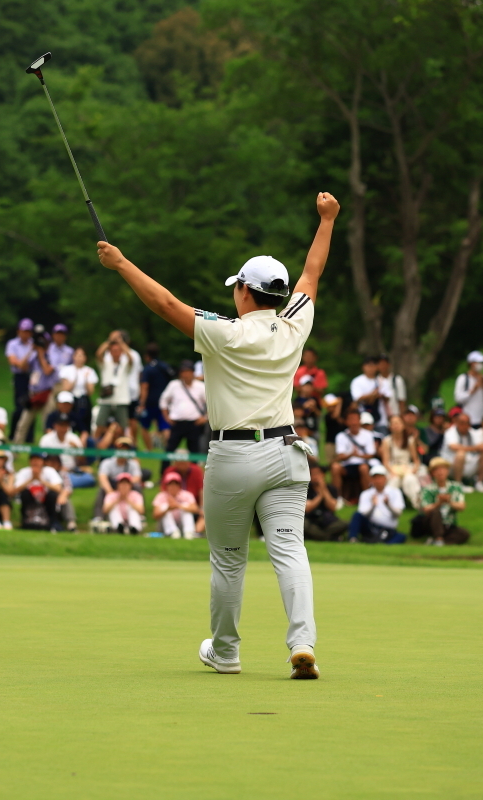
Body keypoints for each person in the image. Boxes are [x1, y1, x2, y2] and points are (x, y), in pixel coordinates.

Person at [97, 190, 338, 680]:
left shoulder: (225, 332)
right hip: (288, 451)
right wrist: (327, 220)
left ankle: (225, 652)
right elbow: (312, 273)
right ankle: (303, 643)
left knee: (230, 561)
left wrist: (122, 264)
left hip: (234, 455)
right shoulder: (294, 323)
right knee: (290, 551)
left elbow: (165, 304)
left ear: (245, 293)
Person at [416, 457, 470, 545]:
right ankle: (438, 538)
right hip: (430, 524)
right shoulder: (428, 489)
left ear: (447, 471)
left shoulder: (455, 487)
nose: (440, 472)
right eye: (436, 469)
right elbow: (426, 509)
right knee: (435, 512)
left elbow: (462, 506)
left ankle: (438, 541)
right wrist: (439, 503)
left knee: (464, 534)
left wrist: (449, 501)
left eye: (443, 469)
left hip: (448, 524)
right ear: (432, 473)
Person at [349, 464, 406, 543]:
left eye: (380, 477)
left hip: (388, 528)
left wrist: (388, 505)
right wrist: (373, 506)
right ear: (371, 479)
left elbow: (398, 514)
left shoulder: (395, 492)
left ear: (385, 478)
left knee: (401, 537)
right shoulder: (366, 494)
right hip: (370, 527)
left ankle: (382, 543)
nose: (378, 480)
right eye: (375, 478)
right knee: (356, 515)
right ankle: (353, 539)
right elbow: (362, 515)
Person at [160, 360, 207, 454]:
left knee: (194, 451)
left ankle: (195, 469)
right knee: (169, 450)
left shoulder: (201, 386)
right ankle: (165, 469)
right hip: (177, 423)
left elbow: (211, 405)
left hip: (194, 424)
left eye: (187, 371)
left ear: (192, 372)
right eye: (183, 372)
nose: (185, 374)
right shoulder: (174, 385)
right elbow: (163, 401)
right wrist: (167, 417)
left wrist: (205, 418)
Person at [95, 331, 133, 437]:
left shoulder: (125, 365)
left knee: (124, 427)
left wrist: (120, 342)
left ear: (121, 352)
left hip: (121, 400)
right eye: (113, 350)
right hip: (106, 400)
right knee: (100, 424)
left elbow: (131, 358)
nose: (116, 352)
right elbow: (98, 354)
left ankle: (126, 449)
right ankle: (94, 449)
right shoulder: (105, 364)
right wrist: (110, 340)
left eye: (118, 350)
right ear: (110, 352)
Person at [380, 414, 422, 511]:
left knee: (410, 479)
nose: (396, 425)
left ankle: (418, 504)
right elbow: (385, 461)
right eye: (393, 423)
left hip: (407, 467)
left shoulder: (410, 440)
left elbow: (416, 460)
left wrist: (414, 469)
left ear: (403, 425)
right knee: (394, 481)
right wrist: (393, 472)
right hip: (392, 468)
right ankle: (392, 506)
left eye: (398, 423)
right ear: (390, 427)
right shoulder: (386, 441)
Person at [14, 451, 63, 531]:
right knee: (25, 493)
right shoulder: (24, 472)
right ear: (29, 461)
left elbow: (58, 488)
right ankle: (26, 521)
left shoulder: (50, 471)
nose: (35, 462)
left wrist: (41, 480)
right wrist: (31, 479)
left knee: (52, 495)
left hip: (46, 501)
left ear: (43, 461)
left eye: (38, 459)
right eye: (33, 459)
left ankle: (52, 521)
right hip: (30, 502)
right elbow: (14, 490)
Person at [136, 342, 173, 450]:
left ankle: (149, 449)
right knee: (165, 427)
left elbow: (145, 387)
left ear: (146, 355)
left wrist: (142, 403)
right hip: (164, 403)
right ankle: (168, 449)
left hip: (150, 403)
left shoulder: (148, 369)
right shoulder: (164, 366)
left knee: (144, 427)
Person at [441, 412, 483, 490]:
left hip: (470, 463)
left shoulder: (473, 432)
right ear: (456, 423)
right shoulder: (450, 432)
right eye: (462, 423)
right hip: (452, 464)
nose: (465, 425)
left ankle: (479, 483)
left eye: (467, 423)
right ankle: (458, 484)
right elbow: (453, 447)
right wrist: (475, 448)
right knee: (461, 454)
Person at [56, 346, 98, 435]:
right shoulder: (67, 370)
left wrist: (86, 380)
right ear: (73, 357)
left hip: (83, 400)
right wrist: (75, 378)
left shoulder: (89, 371)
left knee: (84, 424)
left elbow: (90, 392)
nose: (79, 358)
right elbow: (66, 388)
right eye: (77, 355)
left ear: (85, 358)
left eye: (82, 355)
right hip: (70, 400)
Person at [6, 318, 36, 439]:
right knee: (19, 406)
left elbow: (32, 365)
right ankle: (14, 434)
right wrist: (29, 353)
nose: (26, 334)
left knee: (32, 405)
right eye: (24, 331)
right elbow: (17, 364)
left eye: (28, 331)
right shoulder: (12, 344)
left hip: (32, 378)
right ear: (19, 331)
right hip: (19, 378)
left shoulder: (34, 344)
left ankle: (29, 436)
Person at [303, 462, 347, 542]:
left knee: (344, 524)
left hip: (327, 521)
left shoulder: (331, 489)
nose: (315, 476)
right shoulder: (306, 489)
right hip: (311, 520)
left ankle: (318, 537)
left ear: (323, 475)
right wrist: (320, 496)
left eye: (318, 474)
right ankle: (328, 538)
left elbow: (333, 507)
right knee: (303, 524)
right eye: (313, 474)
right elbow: (307, 508)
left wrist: (324, 490)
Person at [152, 470, 199, 539]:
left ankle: (188, 532)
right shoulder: (161, 496)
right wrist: (168, 508)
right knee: (164, 506)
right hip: (164, 527)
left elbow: (195, 509)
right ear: (166, 485)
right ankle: (173, 532)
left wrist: (178, 505)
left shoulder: (187, 495)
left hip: (181, 524)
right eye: (170, 484)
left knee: (185, 505)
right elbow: (155, 515)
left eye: (175, 484)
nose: (173, 486)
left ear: (179, 485)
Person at [350, 357, 391, 432]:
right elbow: (357, 398)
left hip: (380, 418)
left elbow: (388, 397)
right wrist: (374, 394)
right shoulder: (357, 381)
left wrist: (376, 396)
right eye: (368, 365)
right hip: (363, 418)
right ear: (363, 367)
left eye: (373, 365)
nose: (370, 368)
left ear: (376, 367)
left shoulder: (382, 381)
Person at [454, 351, 483, 426]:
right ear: (471, 363)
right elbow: (458, 399)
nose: (482, 365)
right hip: (468, 421)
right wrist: (472, 391)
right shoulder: (463, 378)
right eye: (479, 362)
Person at [376, 354, 407, 418]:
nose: (382, 366)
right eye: (380, 364)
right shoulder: (375, 381)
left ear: (389, 365)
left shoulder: (397, 380)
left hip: (395, 415)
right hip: (380, 417)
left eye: (384, 363)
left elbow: (401, 400)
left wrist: (402, 416)